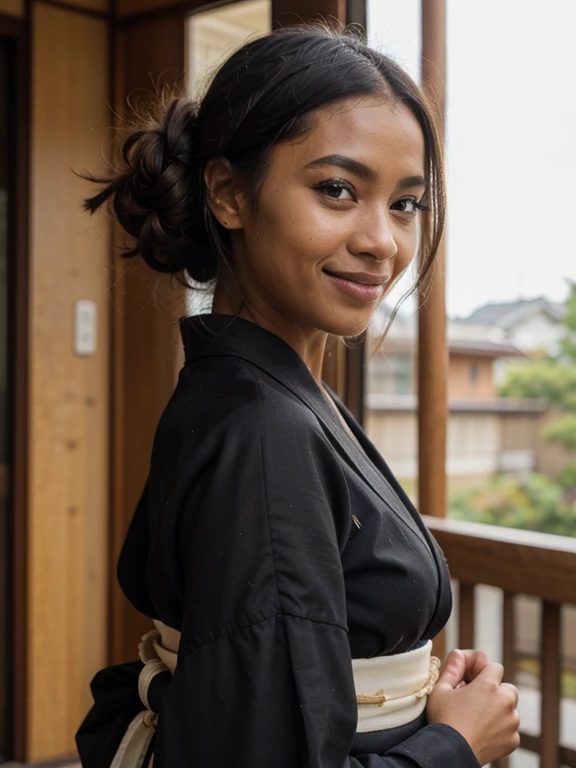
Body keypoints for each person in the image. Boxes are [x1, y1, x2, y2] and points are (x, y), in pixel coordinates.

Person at [76, 24, 520, 768]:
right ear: (228, 194)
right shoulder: (263, 429)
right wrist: (456, 744)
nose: (383, 240)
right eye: (337, 190)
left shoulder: (273, 394)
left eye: (406, 203)